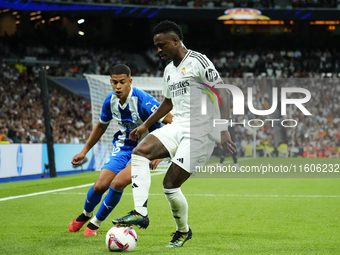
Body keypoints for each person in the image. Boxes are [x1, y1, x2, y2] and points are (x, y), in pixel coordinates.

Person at [112, 20, 236, 248]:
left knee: (170, 184)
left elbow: (224, 94)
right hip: (178, 126)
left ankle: (182, 231)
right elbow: (167, 103)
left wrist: (223, 128)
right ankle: (140, 212)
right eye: (156, 46)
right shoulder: (169, 70)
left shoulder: (199, 61)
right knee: (140, 152)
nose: (158, 50)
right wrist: (144, 125)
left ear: (176, 41)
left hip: (201, 132)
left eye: (162, 45)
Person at [68, 64, 173, 236]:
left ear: (130, 81)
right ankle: (86, 214)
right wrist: (84, 151)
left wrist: (160, 153)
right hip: (123, 148)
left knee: (117, 183)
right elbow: (101, 126)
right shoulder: (110, 101)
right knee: (99, 186)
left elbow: (171, 121)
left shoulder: (144, 102)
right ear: (110, 82)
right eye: (115, 82)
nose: (118, 86)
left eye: (122, 82)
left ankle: (95, 225)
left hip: (145, 151)